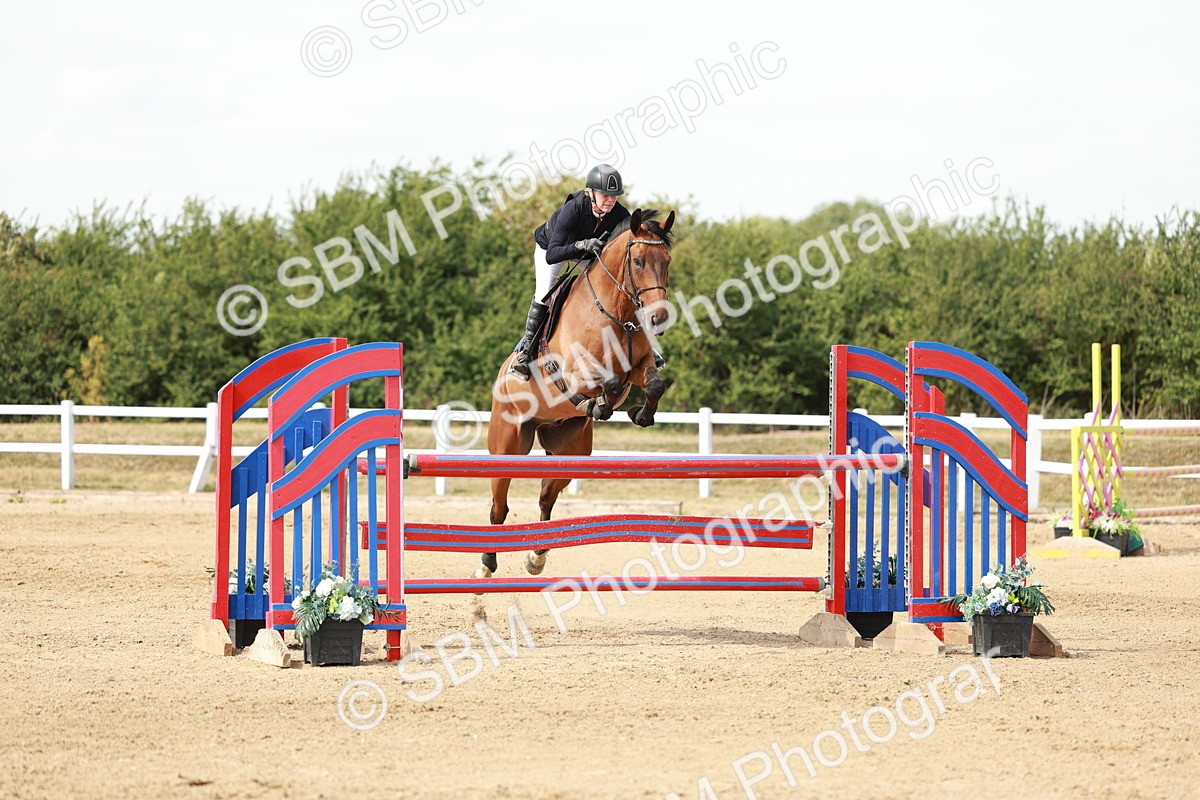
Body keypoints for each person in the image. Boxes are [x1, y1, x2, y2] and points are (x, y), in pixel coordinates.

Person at [510, 164, 631, 379]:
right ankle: (526, 351)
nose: (610, 200)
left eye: (614, 196)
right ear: (591, 192)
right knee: (544, 294)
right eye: (605, 195)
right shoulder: (574, 208)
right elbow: (553, 254)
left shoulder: (620, 214)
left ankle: (641, 343)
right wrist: (582, 245)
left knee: (617, 286)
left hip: (586, 252)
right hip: (552, 249)